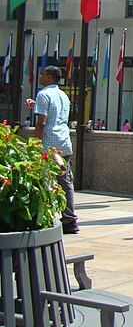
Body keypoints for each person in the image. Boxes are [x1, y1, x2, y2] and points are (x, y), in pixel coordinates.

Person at [25, 66, 79, 235]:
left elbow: (41, 123)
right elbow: (55, 113)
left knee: (41, 181)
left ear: (48, 77)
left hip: (49, 144)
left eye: (42, 74)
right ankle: (69, 220)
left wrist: (34, 144)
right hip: (64, 143)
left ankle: (41, 217)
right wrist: (36, 105)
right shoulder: (63, 95)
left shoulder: (43, 94)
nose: (40, 76)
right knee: (65, 182)